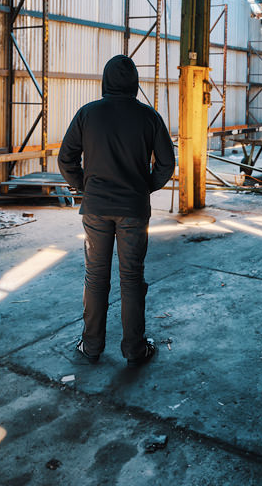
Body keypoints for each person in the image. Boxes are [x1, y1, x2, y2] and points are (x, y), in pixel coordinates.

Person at [58, 54, 176, 367]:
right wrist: (144, 187)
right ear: (135, 83)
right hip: (134, 211)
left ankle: (92, 347)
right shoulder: (149, 117)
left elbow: (65, 159)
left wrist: (86, 187)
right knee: (131, 279)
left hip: (96, 209)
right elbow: (166, 163)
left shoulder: (87, 114)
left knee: (96, 278)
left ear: (105, 81)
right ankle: (134, 349)